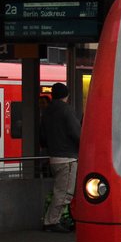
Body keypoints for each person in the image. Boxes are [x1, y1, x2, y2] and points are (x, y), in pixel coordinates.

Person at [40, 82, 81, 233]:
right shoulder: (66, 110)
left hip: (53, 157)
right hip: (67, 157)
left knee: (60, 189)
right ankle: (51, 221)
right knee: (64, 192)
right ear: (66, 95)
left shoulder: (47, 111)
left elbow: (42, 136)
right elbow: (77, 134)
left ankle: (57, 219)